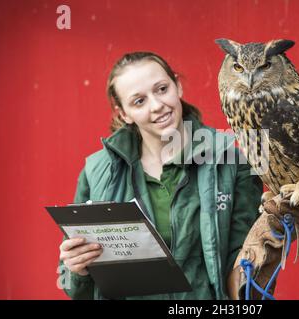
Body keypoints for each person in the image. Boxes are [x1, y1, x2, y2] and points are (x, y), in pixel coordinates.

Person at [57, 52, 265, 300]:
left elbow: (244, 272)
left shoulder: (230, 162)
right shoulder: (97, 170)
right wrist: (75, 269)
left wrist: (263, 249)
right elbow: (75, 288)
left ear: (177, 86)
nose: (156, 105)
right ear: (123, 114)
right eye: (139, 101)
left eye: (162, 89)